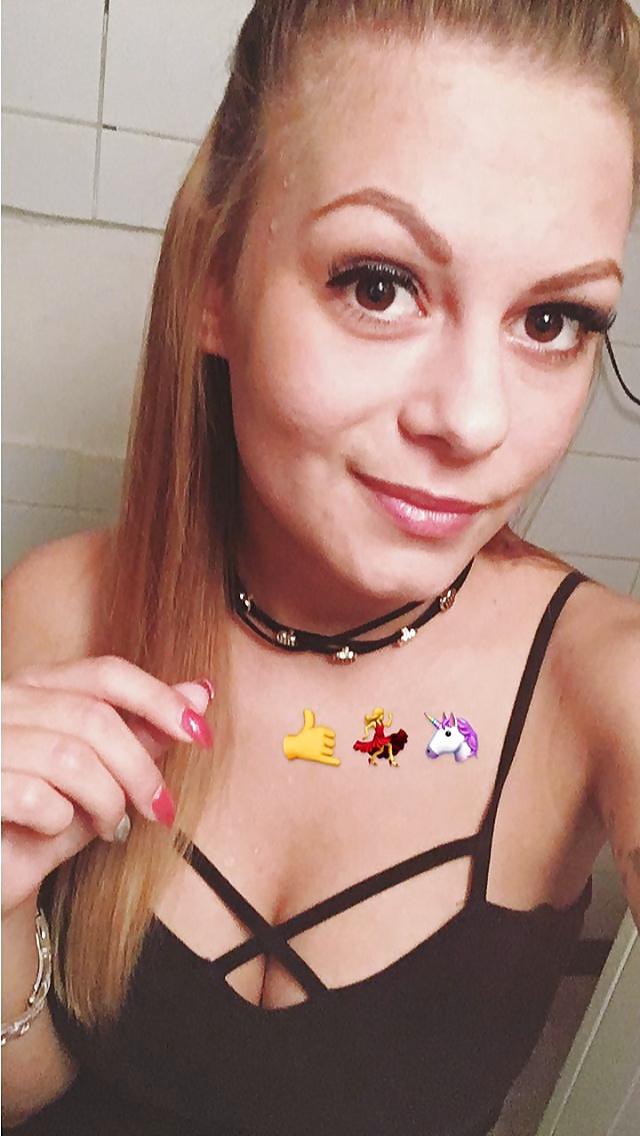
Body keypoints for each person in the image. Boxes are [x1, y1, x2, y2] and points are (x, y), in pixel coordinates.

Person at [2, 1, 640, 1133]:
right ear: (214, 282)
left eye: (551, 319)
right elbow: (30, 1089)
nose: (476, 421)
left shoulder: (599, 687)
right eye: (379, 285)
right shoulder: (62, 609)